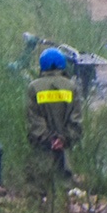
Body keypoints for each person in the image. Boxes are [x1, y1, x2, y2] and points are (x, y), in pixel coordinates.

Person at [24, 48, 82, 189]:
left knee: (41, 187)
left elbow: (34, 121)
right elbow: (76, 120)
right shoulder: (71, 87)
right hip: (65, 151)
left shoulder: (34, 87)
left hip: (43, 150)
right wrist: (63, 139)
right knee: (66, 188)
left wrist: (50, 139)